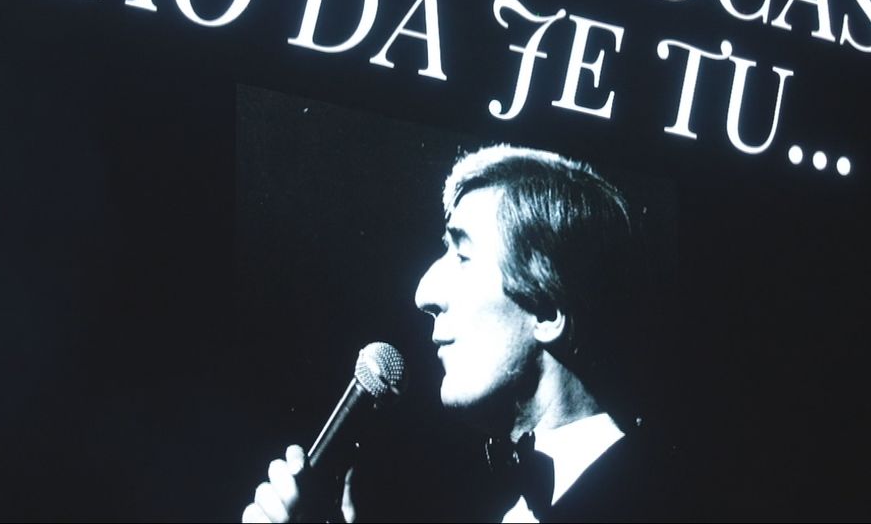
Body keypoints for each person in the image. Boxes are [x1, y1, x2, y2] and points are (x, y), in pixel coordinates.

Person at [242, 144, 671, 523]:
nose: (423, 293)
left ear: (546, 310)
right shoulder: (513, 508)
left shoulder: (665, 498)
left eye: (462, 255)